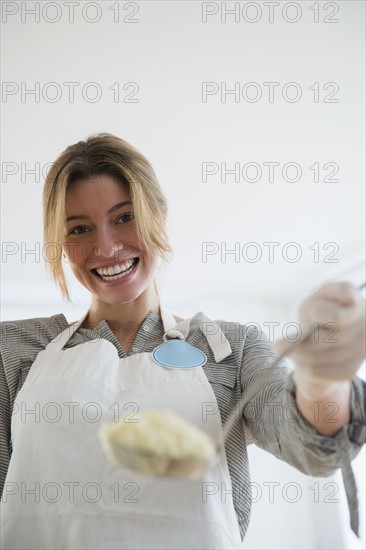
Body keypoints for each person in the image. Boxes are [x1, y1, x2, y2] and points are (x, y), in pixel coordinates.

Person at [0, 133, 365, 550]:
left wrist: (323, 378)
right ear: (61, 245)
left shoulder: (232, 347)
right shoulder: (14, 349)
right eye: (80, 228)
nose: (106, 246)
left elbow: (315, 451)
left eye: (125, 216)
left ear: (158, 215)